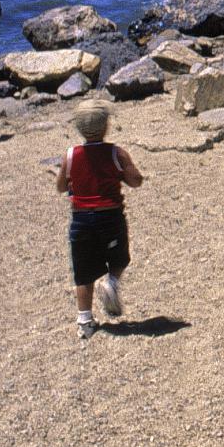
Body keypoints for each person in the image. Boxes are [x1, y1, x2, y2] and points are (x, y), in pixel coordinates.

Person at [56, 101, 143, 340]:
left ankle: (84, 319)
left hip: (81, 219)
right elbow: (135, 180)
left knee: (82, 270)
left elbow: (61, 186)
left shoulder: (71, 155)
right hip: (110, 215)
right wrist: (127, 174)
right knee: (120, 257)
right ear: (106, 126)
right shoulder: (116, 153)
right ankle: (112, 282)